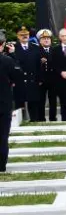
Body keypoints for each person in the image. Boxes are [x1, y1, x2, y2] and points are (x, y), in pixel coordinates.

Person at [12, 27, 42, 121]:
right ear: (18, 36)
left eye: (26, 35)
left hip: (32, 79)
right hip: (19, 80)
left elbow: (39, 65)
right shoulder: (13, 48)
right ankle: (20, 121)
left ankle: (34, 121)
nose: (25, 36)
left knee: (33, 103)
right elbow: (11, 66)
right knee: (19, 103)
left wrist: (40, 79)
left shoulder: (36, 47)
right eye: (22, 35)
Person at [0, 31, 16, 171]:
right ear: (2, 45)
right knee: (3, 136)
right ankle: (1, 165)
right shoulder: (7, 60)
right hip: (4, 104)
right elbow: (16, 77)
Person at [36, 29, 56, 121]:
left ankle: (52, 118)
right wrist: (39, 62)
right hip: (41, 80)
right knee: (41, 100)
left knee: (53, 100)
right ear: (40, 41)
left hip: (52, 79)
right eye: (44, 38)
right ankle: (41, 118)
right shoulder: (36, 51)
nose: (46, 40)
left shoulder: (55, 50)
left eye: (48, 38)